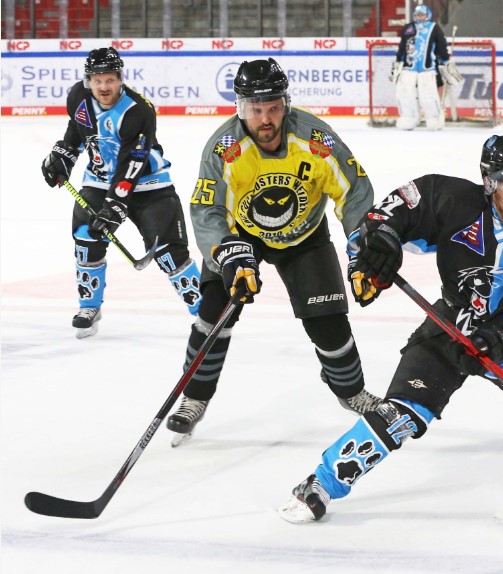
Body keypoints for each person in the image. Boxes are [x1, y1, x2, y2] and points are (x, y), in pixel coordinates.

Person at [278, 133, 503, 528]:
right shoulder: (449, 199)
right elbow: (386, 215)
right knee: (401, 416)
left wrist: (497, 339)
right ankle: (320, 484)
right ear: (489, 183)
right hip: (450, 327)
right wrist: (376, 246)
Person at [166, 58, 382, 446]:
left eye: (273, 108)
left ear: (285, 104)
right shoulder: (224, 148)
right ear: (240, 107)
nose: (265, 119)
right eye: (255, 109)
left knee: (329, 325)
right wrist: (228, 255)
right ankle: (194, 397)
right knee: (214, 313)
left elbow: (353, 193)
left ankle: (350, 391)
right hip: (241, 236)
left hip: (305, 235)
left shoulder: (316, 139)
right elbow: (207, 209)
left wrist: (362, 248)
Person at [40, 47, 201, 338]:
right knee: (86, 237)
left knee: (169, 251)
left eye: (110, 80)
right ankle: (89, 307)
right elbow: (77, 131)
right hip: (100, 181)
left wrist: (115, 206)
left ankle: (205, 312)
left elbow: (132, 164)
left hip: (150, 184)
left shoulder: (138, 110)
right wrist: (64, 157)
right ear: (88, 80)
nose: (104, 87)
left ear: (120, 78)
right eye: (97, 80)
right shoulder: (79, 97)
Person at [390, 3, 461, 130]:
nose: (420, 17)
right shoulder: (408, 28)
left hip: (427, 69)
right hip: (408, 68)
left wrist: (446, 61)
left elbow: (441, 46)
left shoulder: (434, 28)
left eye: (422, 15)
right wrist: (398, 61)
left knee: (428, 95)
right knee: (405, 94)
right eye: (418, 15)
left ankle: (434, 119)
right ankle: (409, 117)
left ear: (427, 15)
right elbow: (402, 47)